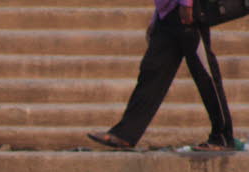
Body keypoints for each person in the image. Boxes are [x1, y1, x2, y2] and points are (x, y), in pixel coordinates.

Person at [87, 0, 233, 151]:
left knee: (205, 73)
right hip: (167, 14)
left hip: (187, 11)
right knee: (152, 73)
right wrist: (157, 16)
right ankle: (125, 134)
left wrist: (187, 3)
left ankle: (222, 136)